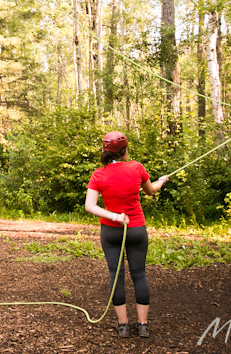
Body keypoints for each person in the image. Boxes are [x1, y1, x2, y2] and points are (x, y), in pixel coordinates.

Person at [84, 131, 168, 339]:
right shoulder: (136, 167)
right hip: (136, 229)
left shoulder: (98, 174)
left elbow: (90, 206)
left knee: (116, 274)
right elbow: (151, 190)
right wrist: (161, 181)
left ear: (104, 152)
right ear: (124, 151)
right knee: (139, 274)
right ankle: (143, 325)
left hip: (111, 231)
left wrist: (113, 216)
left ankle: (122, 325)